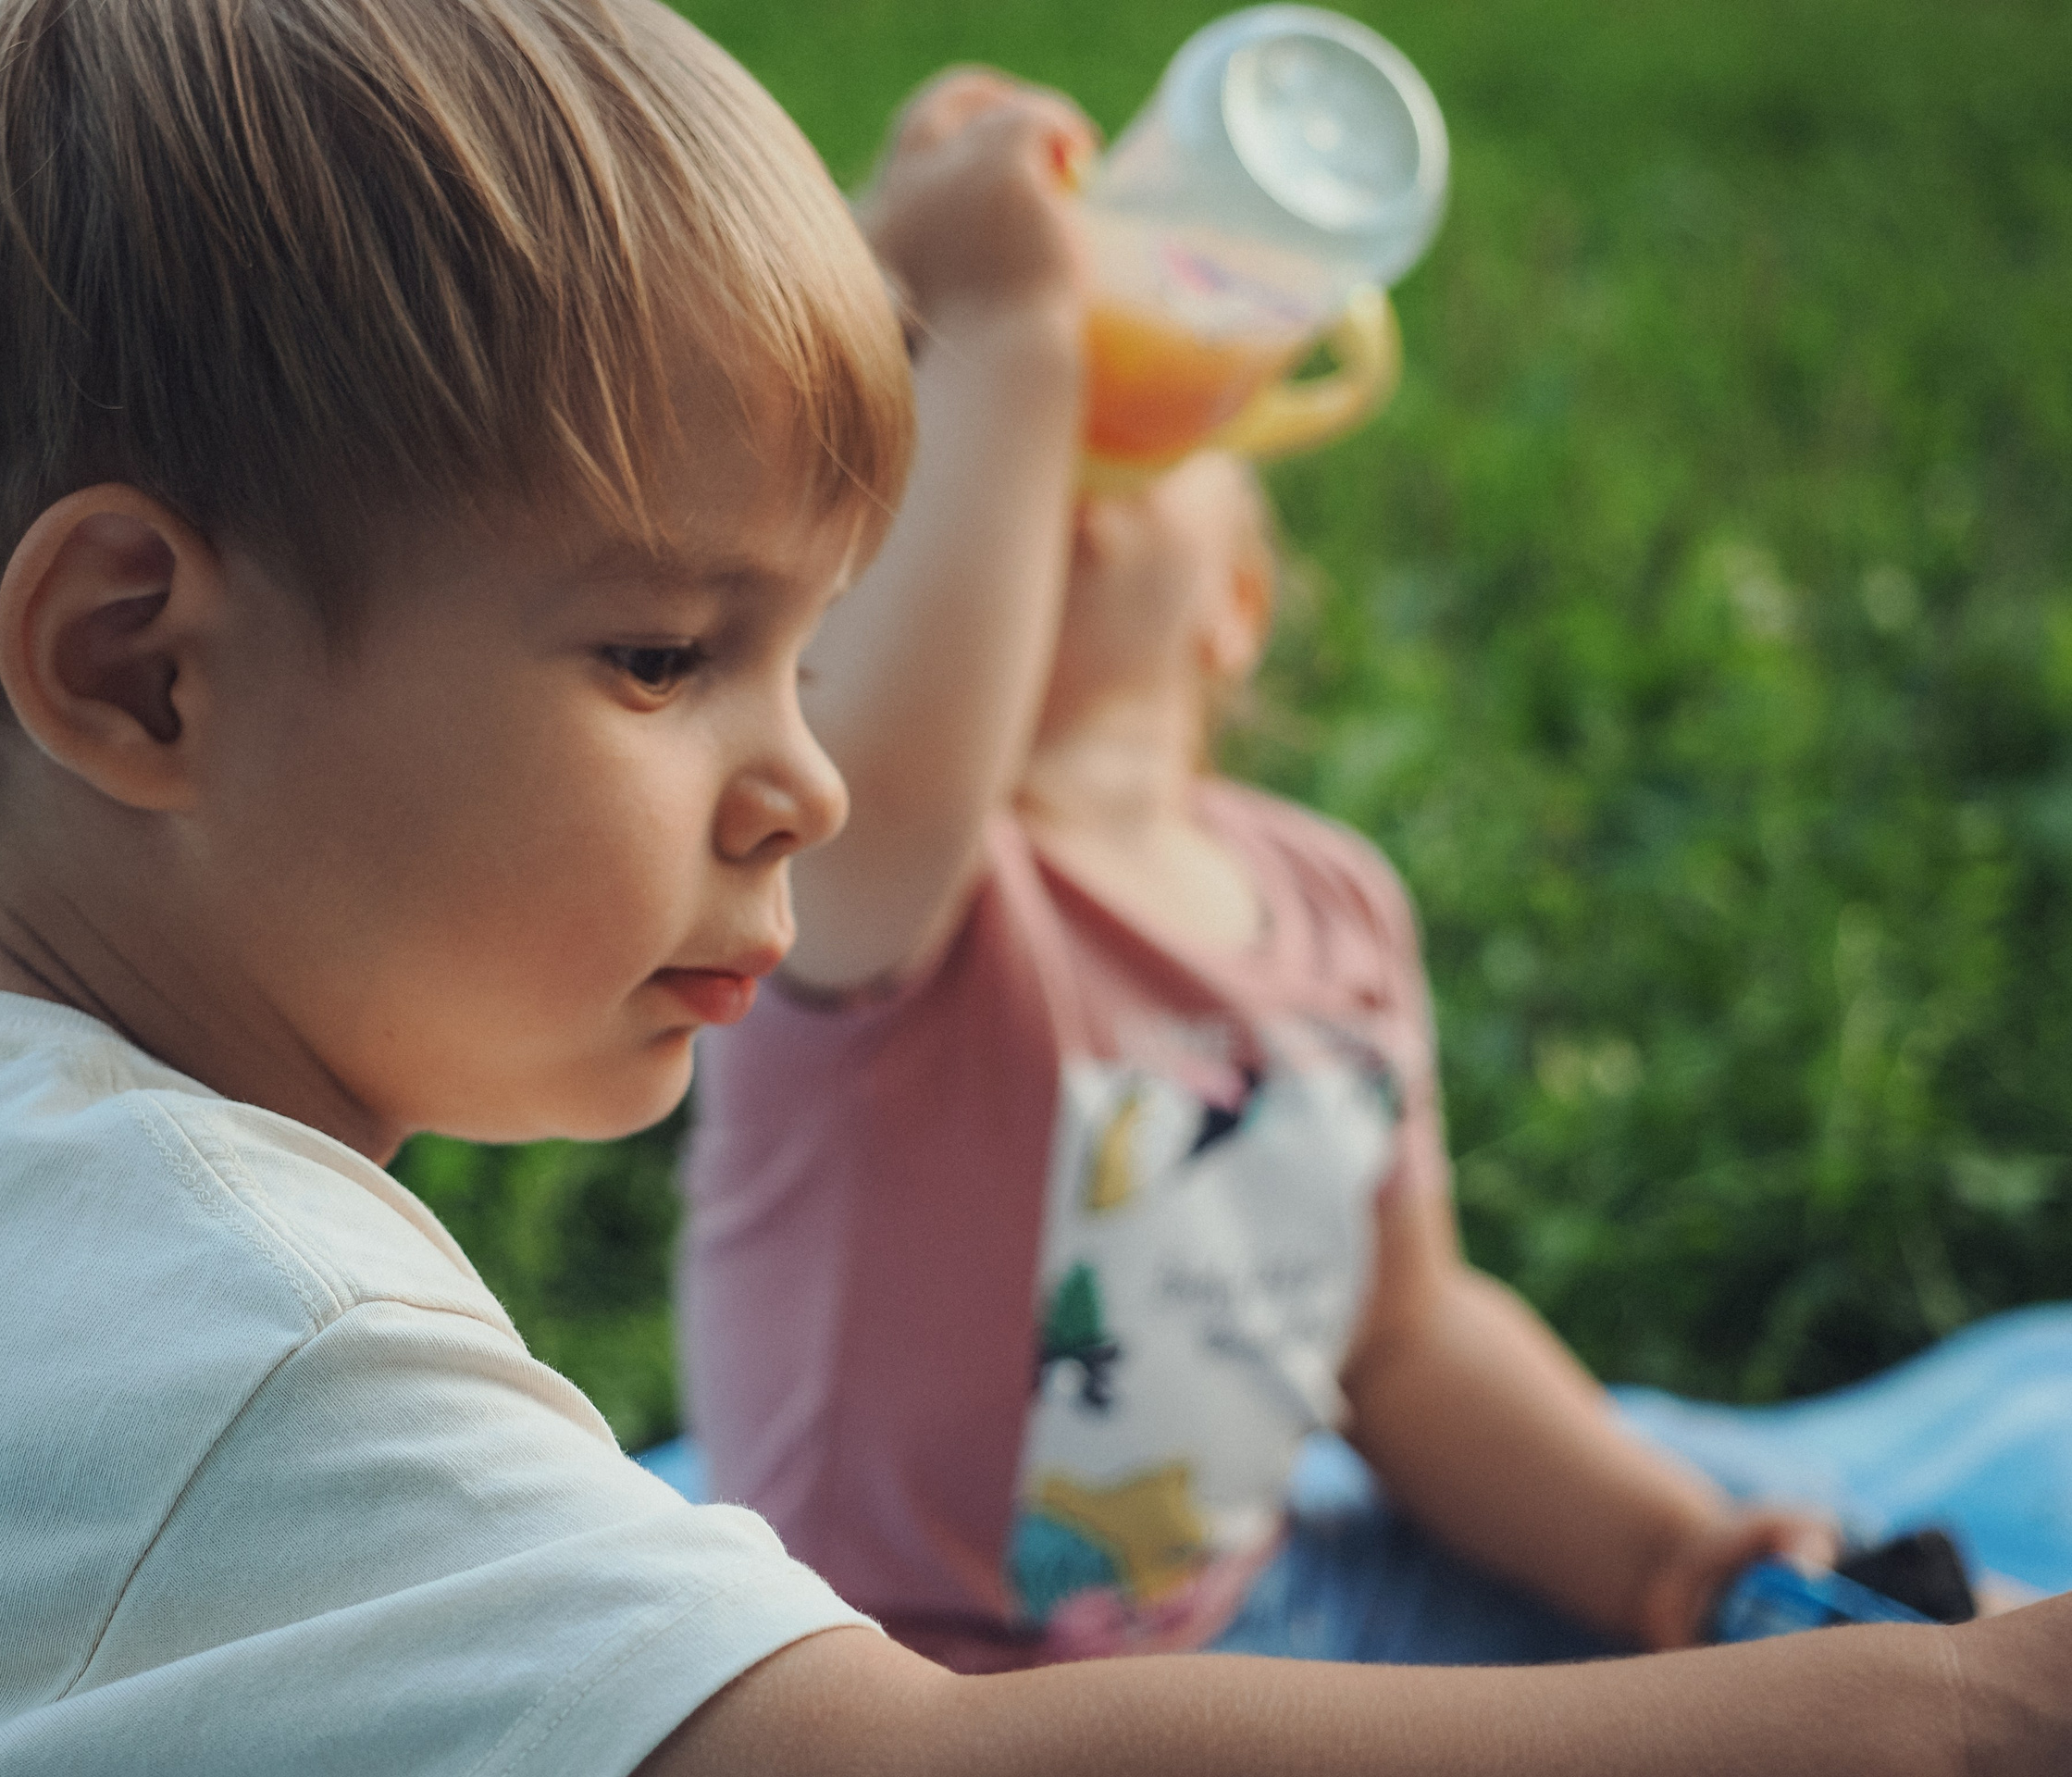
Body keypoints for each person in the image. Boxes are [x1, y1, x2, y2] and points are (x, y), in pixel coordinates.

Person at [0, 4, 2067, 1773]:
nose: (810, 787)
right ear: (140, 667)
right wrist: (1940, 1704)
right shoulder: (247, 1340)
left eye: (805, 654)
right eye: (662, 653)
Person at [671, 66, 2041, 1679]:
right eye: (944, 435)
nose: (1043, 430)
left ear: (1240, 595)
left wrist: (1669, 1555)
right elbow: (906, 759)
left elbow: (1403, 1339)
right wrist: (991, 322)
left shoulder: (1334, 908)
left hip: (1252, 1616)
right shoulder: (879, 875)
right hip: (893, 1690)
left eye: (1104, 401)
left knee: (1785, 1624)